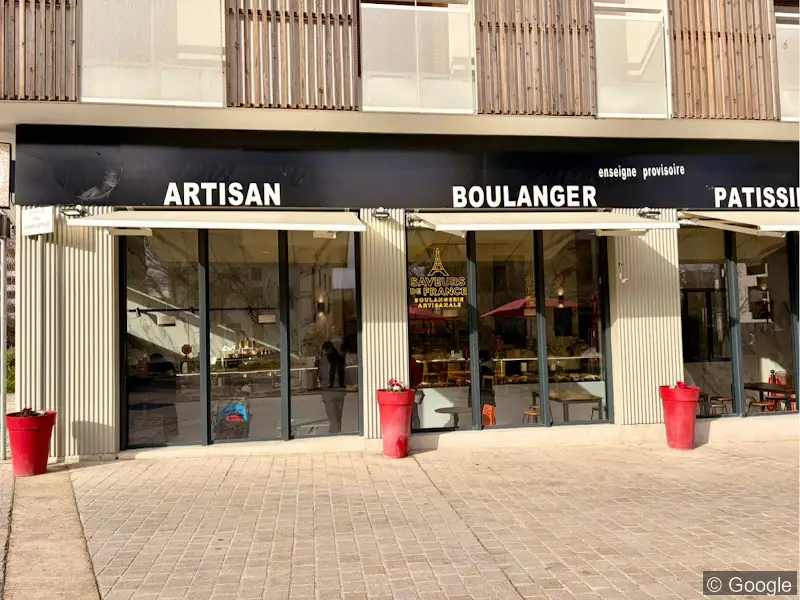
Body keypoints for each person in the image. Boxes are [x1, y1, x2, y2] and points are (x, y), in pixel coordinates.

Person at [317, 341, 346, 433]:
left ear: (323, 350)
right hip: (340, 391)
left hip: (328, 391)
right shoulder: (340, 358)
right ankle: (337, 432)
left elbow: (320, 375)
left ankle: (334, 434)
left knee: (332, 416)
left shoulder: (322, 360)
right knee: (338, 416)